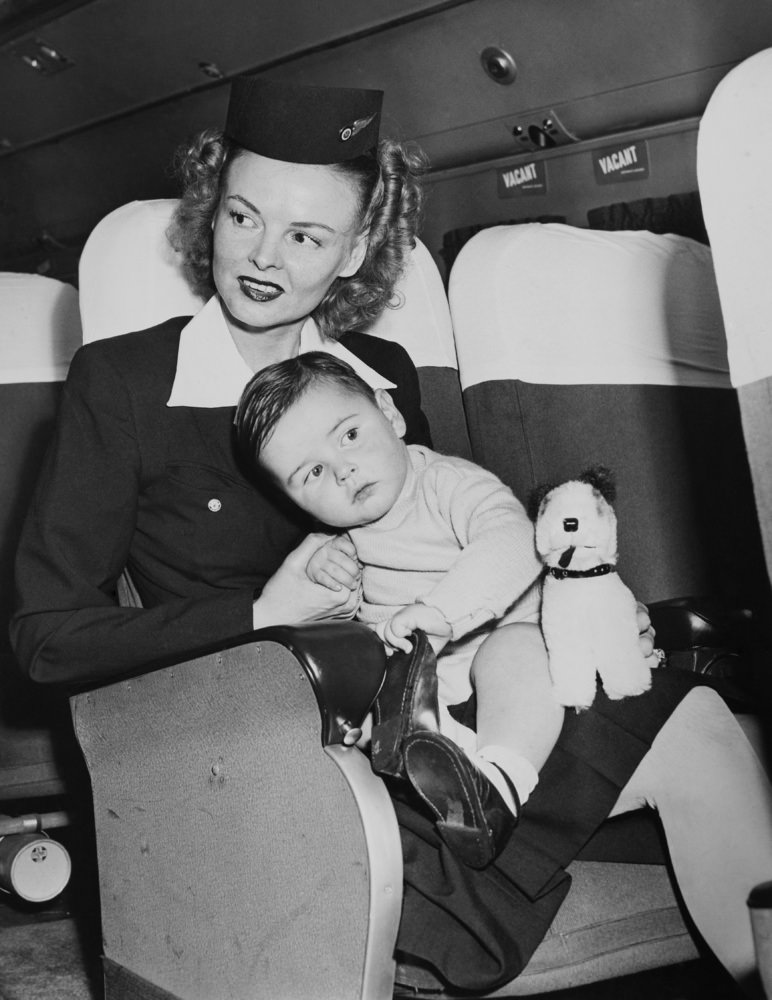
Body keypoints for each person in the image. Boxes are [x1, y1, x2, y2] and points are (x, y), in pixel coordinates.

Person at [10, 75, 772, 997]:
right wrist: (258, 612)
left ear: (359, 246)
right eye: (242, 217)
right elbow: (45, 639)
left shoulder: (381, 375)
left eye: (306, 236)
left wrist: (568, 614)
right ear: (211, 209)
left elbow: (453, 534)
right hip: (267, 742)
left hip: (445, 692)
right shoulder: (125, 383)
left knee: (694, 717)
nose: (262, 257)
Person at [234, 349, 562, 870]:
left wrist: (440, 611)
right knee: (355, 691)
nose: (343, 470)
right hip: (424, 695)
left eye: (349, 435)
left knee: (517, 649)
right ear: (295, 502)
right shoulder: (334, 545)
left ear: (389, 415)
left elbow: (515, 538)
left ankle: (498, 786)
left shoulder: (445, 485)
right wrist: (327, 591)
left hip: (508, 662)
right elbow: (339, 631)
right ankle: (431, 753)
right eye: (313, 471)